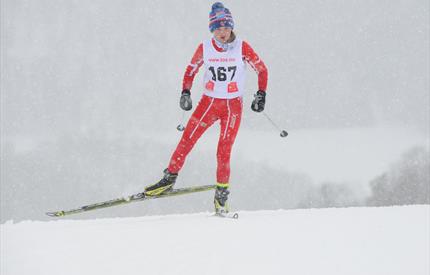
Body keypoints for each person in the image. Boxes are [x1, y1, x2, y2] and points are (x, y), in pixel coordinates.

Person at [144, 2, 268, 214]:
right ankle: (168, 179)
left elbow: (262, 70)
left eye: (226, 27)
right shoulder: (205, 47)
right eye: (217, 28)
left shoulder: (242, 47)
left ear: (231, 27)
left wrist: (261, 95)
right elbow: (191, 70)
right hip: (208, 103)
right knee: (187, 140)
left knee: (224, 151)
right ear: (212, 30)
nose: (222, 32)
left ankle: (221, 198)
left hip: (232, 107)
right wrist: (185, 92)